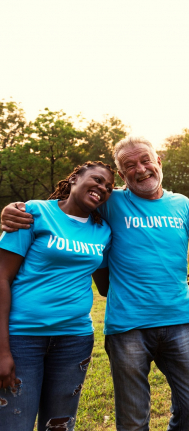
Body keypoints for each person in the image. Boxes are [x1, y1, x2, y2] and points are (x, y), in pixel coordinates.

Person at [1, 136, 189, 431]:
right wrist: (13, 210)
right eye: (129, 165)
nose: (140, 169)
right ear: (122, 175)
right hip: (126, 326)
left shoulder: (181, 204)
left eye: (145, 160)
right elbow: (67, 207)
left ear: (159, 162)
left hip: (176, 319)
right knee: (132, 419)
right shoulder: (109, 201)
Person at [0, 161, 115, 430]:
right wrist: (2, 350)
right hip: (22, 338)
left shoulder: (102, 231)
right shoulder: (33, 213)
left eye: (108, 187)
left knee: (59, 426)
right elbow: (2, 278)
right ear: (74, 178)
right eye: (97, 180)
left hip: (74, 340)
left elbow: (106, 286)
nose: (102, 188)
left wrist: (165, 279)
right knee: (13, 424)